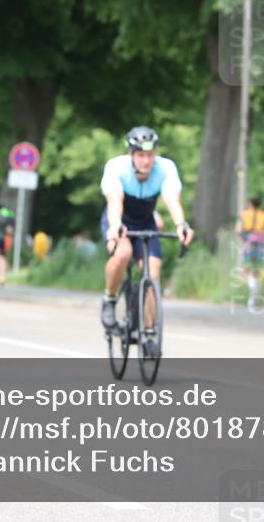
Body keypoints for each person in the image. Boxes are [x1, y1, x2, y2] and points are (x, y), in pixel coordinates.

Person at [99, 126, 194, 357]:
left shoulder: (166, 168)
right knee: (121, 254)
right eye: (141, 155)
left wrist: (181, 224)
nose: (146, 161)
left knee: (152, 272)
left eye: (150, 155)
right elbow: (114, 200)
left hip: (146, 221)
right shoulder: (116, 167)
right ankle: (109, 300)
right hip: (119, 220)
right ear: (131, 154)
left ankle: (149, 332)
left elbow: (171, 198)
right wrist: (115, 226)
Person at [235, 196, 264, 309]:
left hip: (248, 242)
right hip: (260, 244)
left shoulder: (243, 215)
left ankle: (251, 289)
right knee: (256, 269)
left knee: (246, 268)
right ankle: (254, 295)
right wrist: (263, 238)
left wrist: (244, 237)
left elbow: (238, 230)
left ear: (250, 204)